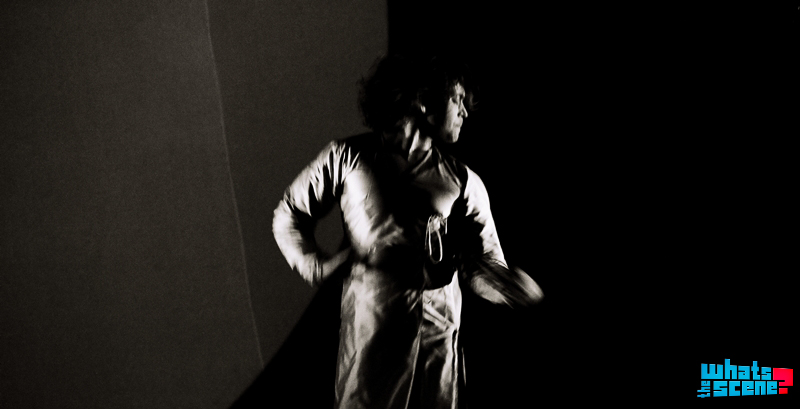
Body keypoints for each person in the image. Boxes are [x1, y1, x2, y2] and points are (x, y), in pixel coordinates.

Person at [272, 54, 543, 409]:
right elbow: (289, 214)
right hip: (372, 346)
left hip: (436, 351)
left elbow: (485, 263)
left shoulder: (464, 182)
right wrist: (314, 266)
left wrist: (507, 288)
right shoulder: (349, 158)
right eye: (457, 99)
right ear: (424, 99)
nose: (465, 111)